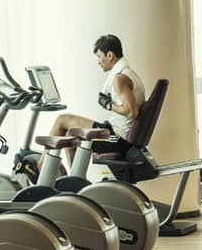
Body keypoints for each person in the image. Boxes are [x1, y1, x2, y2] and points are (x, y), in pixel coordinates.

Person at [48, 34, 146, 166]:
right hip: (117, 133)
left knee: (62, 120)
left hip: (117, 139)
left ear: (110, 55)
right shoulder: (129, 74)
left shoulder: (119, 78)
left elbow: (131, 112)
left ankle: (42, 166)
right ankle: (74, 180)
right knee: (69, 133)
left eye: (100, 57)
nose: (98, 61)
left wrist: (108, 105)